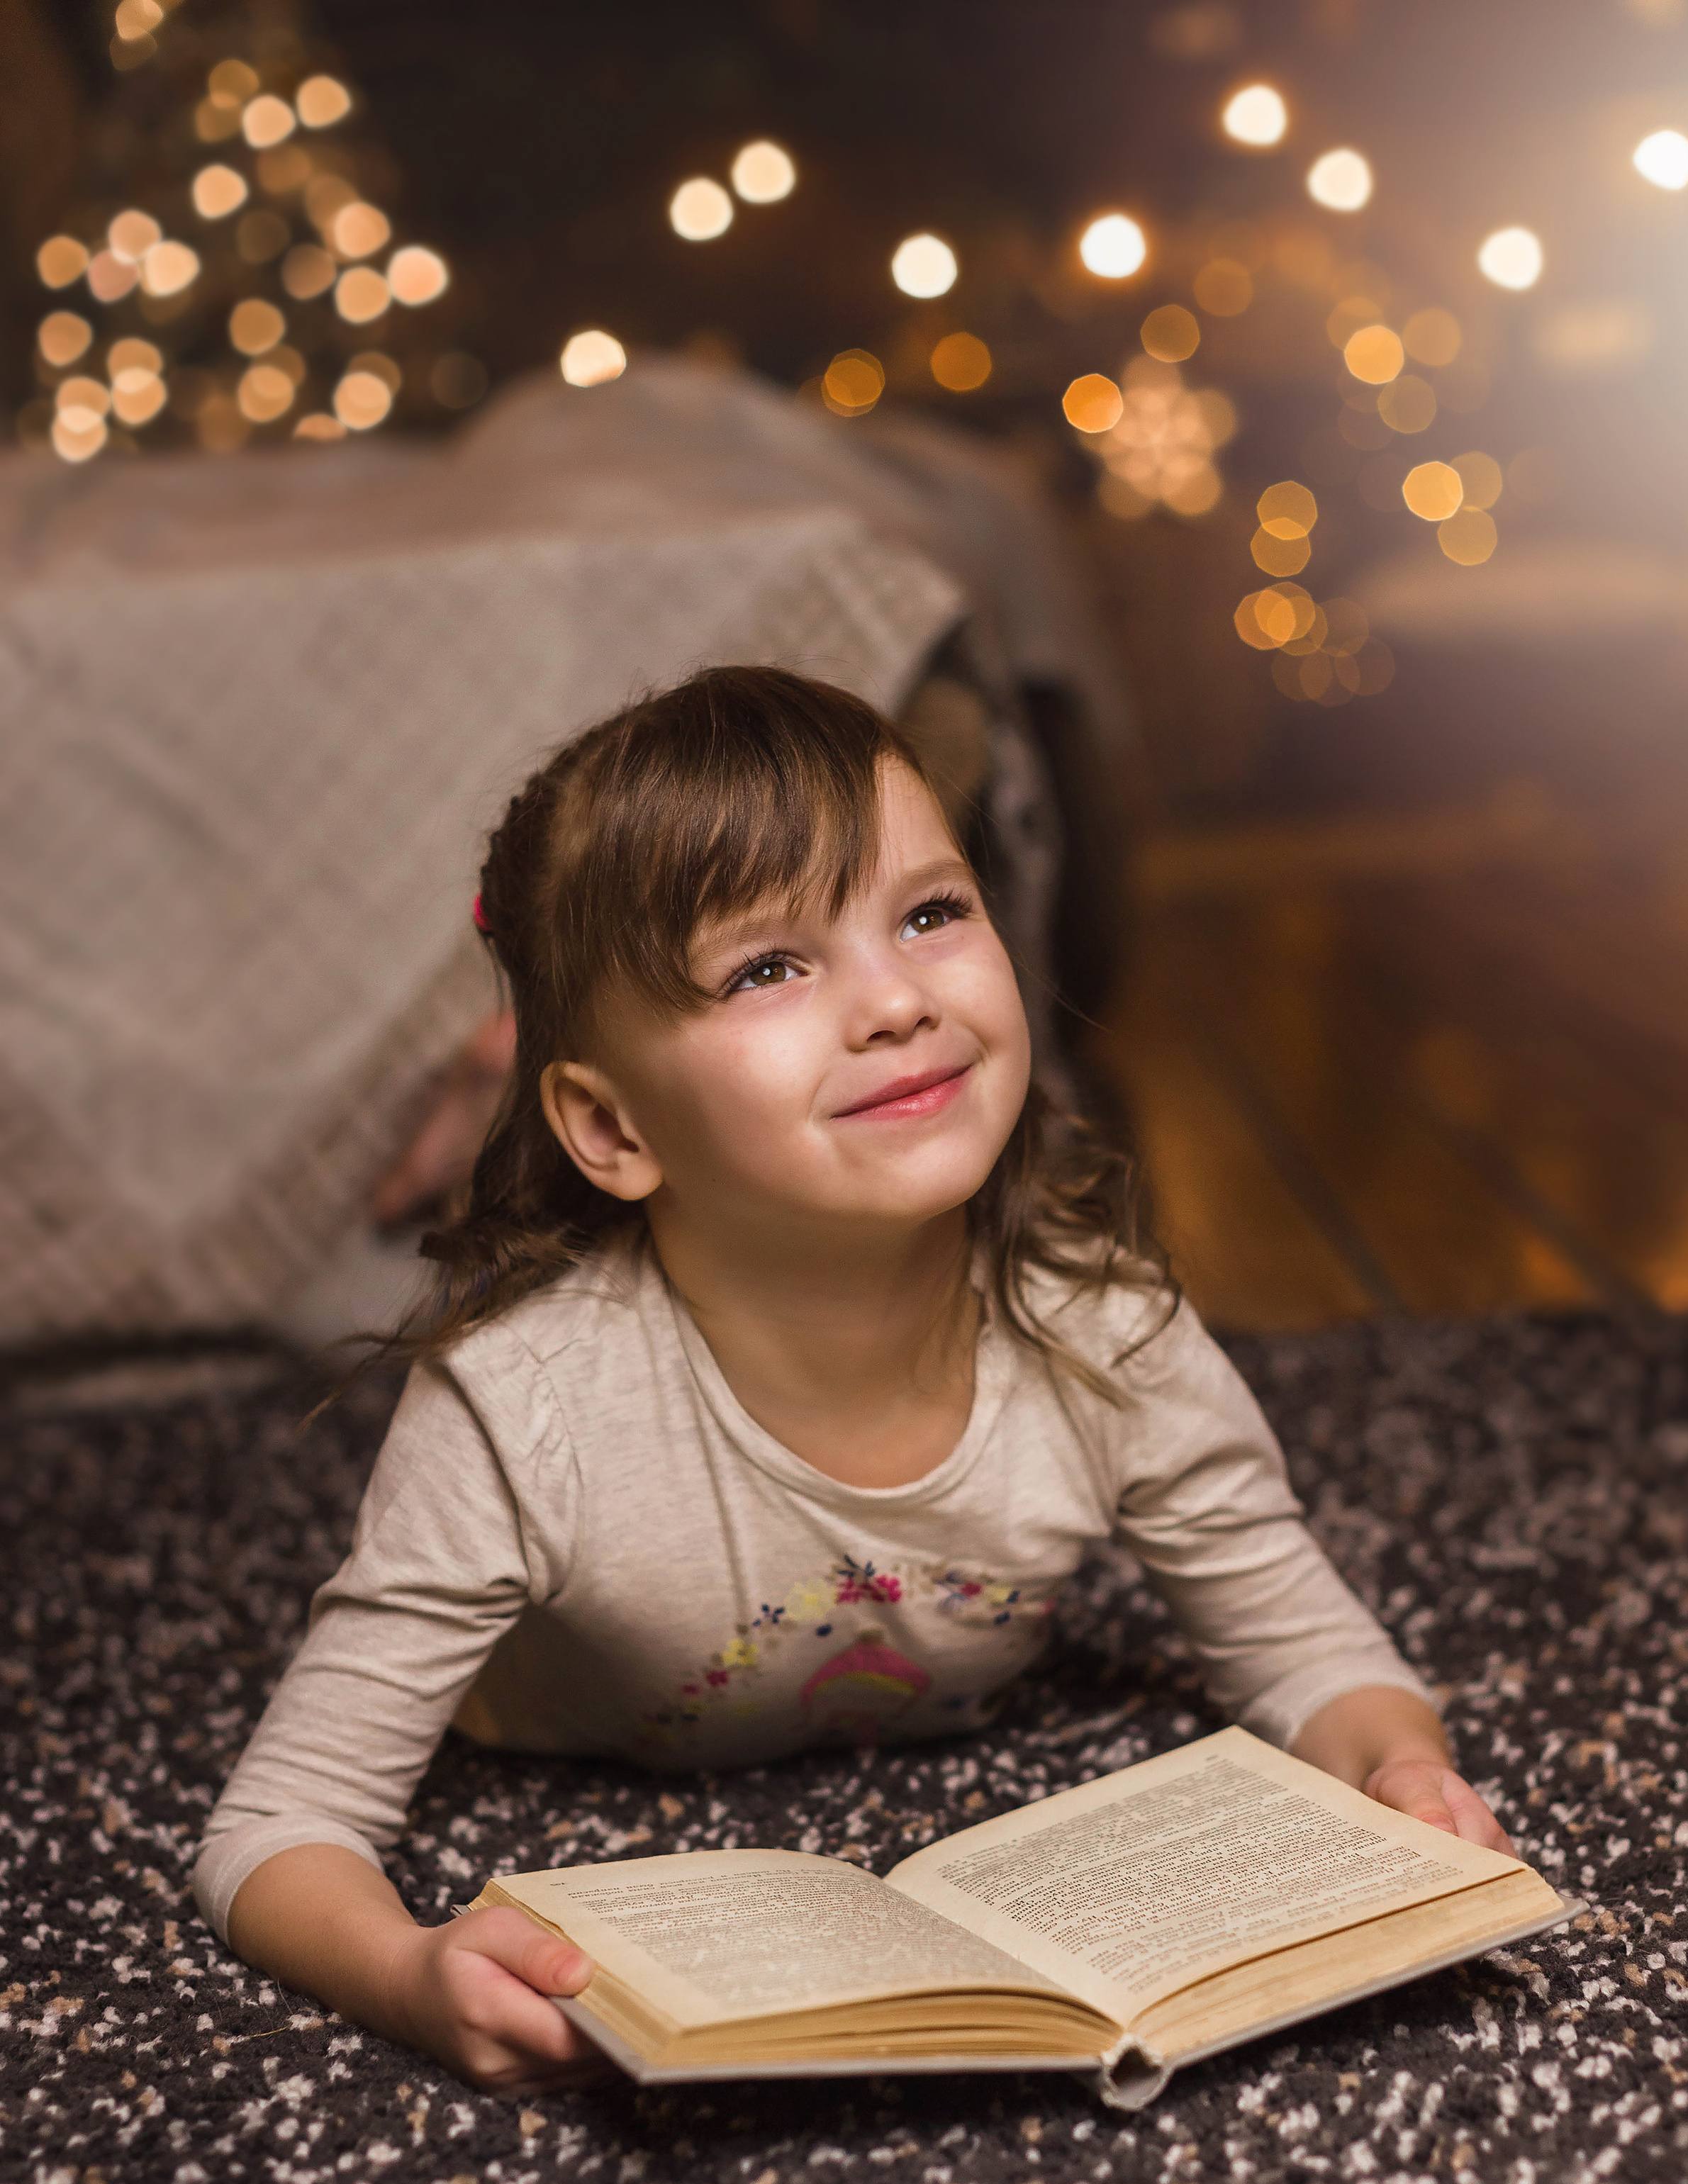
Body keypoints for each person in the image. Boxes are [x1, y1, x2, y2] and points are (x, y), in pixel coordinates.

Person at [194, 666, 1509, 2091]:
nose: (894, 1001)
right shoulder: (519, 1411)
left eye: (931, 915)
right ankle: (489, 1087)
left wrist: (1397, 1776)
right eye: (766, 966)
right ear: (612, 1125)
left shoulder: (1103, 1334)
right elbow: (273, 1832)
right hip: (565, 1744)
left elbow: (1313, 1652)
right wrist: (405, 1972)